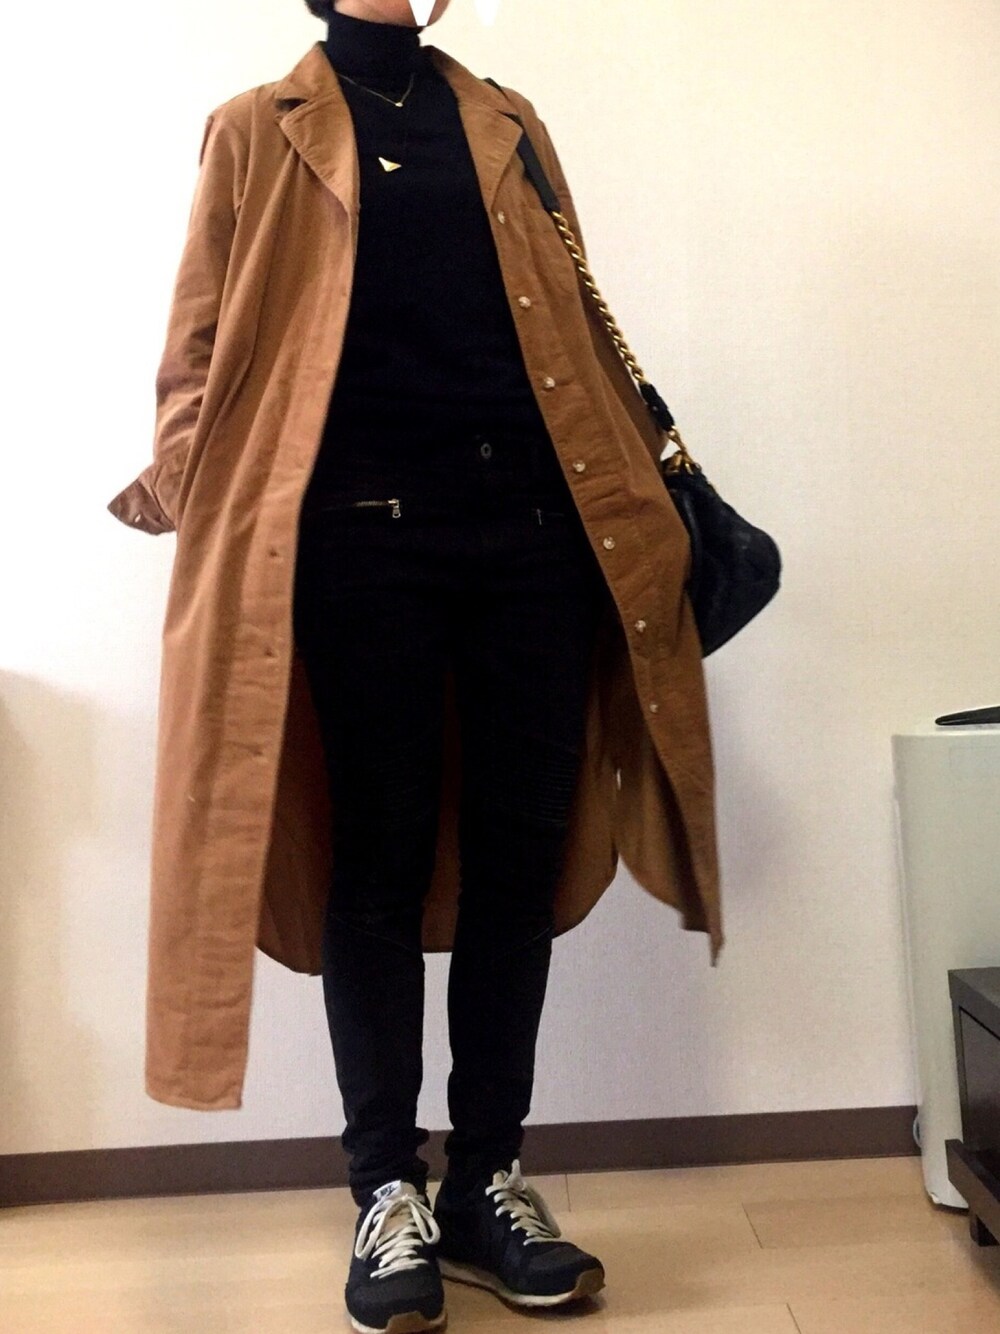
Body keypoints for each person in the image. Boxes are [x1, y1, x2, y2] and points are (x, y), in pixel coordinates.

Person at [292, 1, 609, 1330]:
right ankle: (385, 1188)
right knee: (373, 861)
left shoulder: (507, 121)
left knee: (516, 862)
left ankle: (486, 1180)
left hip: (532, 538)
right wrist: (196, 494)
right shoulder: (260, 131)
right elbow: (202, 350)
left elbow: (576, 322)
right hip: (363, 542)